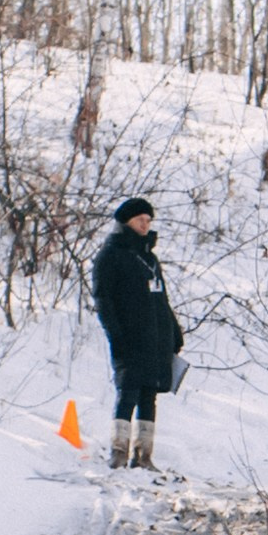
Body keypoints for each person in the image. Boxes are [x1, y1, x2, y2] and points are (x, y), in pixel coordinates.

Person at [91, 195, 183, 473]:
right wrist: (115, 333)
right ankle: (118, 451)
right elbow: (103, 299)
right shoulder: (111, 254)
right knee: (128, 392)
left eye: (148, 220)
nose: (145, 225)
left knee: (149, 395)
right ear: (127, 221)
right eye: (141, 220)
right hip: (129, 337)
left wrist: (174, 333)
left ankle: (144, 455)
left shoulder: (149, 257)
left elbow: (162, 300)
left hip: (156, 338)